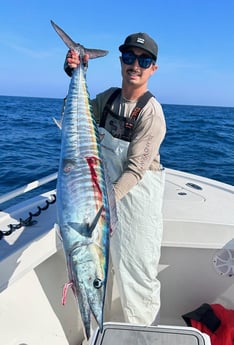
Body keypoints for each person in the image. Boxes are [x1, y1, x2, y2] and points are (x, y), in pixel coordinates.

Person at [64, 32, 166, 329]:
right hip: (101, 200)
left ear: (153, 68)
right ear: (121, 61)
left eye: (144, 60)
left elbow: (135, 171)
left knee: (137, 277)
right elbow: (70, 118)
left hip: (134, 204)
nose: (135, 64)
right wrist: (74, 73)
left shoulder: (151, 112)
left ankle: (144, 335)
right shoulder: (106, 99)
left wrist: (102, 204)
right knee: (100, 272)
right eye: (129, 57)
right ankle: (97, 330)